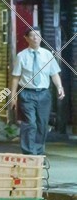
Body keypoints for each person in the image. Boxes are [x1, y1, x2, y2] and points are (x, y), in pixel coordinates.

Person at [9, 28, 64, 156]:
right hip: (27, 94)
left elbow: (54, 74)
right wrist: (13, 96)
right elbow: (16, 77)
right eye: (32, 36)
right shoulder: (21, 56)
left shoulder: (47, 55)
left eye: (38, 36)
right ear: (26, 38)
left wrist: (60, 87)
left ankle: (38, 153)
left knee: (42, 124)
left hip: (44, 94)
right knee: (30, 123)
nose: (35, 38)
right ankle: (29, 153)